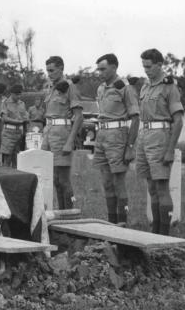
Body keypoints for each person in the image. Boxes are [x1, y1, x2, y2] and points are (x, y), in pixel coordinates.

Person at [136, 48, 184, 236]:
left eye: (149, 66)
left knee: (162, 186)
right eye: (144, 67)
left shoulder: (169, 87)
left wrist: (170, 150)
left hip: (160, 137)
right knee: (151, 186)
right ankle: (155, 230)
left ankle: (164, 234)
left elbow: (178, 120)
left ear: (159, 65)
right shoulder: (146, 86)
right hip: (145, 135)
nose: (146, 70)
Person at [93, 54, 140, 225]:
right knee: (106, 183)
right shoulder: (100, 88)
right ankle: (111, 224)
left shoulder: (125, 88)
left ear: (114, 67)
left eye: (103, 69)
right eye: (98, 69)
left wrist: (130, 147)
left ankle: (122, 224)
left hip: (118, 137)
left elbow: (135, 118)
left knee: (118, 182)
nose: (100, 72)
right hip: (101, 136)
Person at [40, 56, 83, 210]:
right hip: (48, 133)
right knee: (54, 179)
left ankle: (69, 213)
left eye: (52, 70)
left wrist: (70, 141)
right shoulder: (51, 87)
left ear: (61, 68)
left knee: (64, 179)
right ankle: (61, 213)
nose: (49, 74)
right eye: (47, 71)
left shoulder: (70, 86)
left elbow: (78, 116)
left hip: (61, 134)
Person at [0, 84, 29, 168]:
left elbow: (25, 116)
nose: (18, 96)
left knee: (17, 159)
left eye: (20, 94)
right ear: (12, 93)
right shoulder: (5, 103)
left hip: (19, 134)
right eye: (17, 94)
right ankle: (5, 178)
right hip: (8, 133)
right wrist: (16, 121)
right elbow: (4, 118)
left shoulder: (22, 103)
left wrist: (26, 120)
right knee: (7, 159)